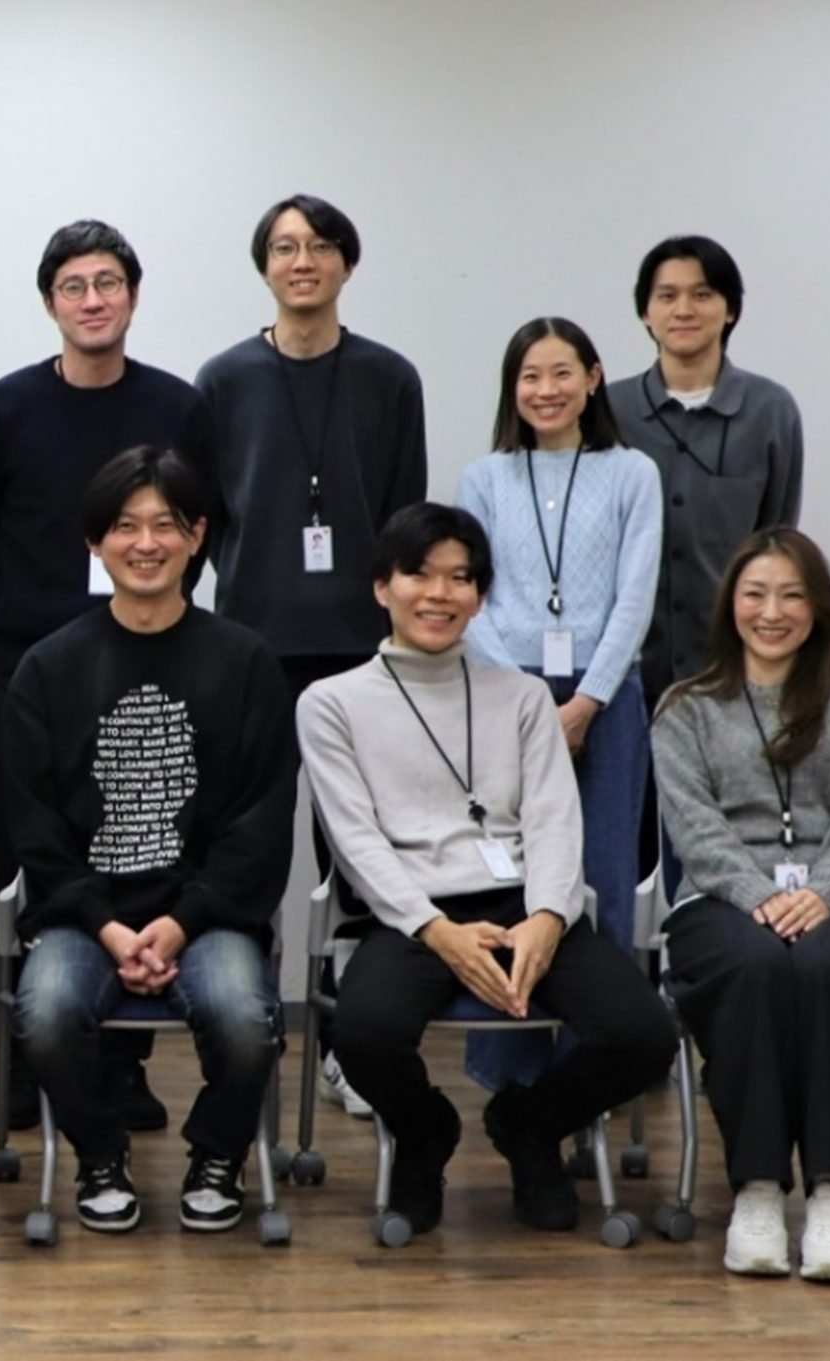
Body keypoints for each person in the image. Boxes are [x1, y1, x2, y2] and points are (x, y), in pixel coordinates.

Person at [298, 504, 673, 1236]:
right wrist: (436, 930)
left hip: (524, 904)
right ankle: (425, 1134)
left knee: (644, 1035)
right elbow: (355, 841)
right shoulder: (332, 703)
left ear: (480, 596)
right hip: (413, 915)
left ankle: (530, 1124)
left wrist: (548, 917)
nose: (440, 594)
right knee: (364, 1035)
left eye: (461, 578)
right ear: (381, 586)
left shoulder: (523, 696)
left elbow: (554, 819)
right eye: (420, 574)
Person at [5, 447, 294, 1235]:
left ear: (197, 536)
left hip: (209, 916)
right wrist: (105, 923)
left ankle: (218, 1153)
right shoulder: (48, 667)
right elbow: (34, 827)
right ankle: (101, 1153)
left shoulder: (246, 662)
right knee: (46, 1013)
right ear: (95, 541)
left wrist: (182, 920)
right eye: (124, 526)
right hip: (83, 918)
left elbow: (261, 820)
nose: (145, 543)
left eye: (165, 525)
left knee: (245, 1019)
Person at [0, 219, 202, 1134]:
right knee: (22, 859)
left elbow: (199, 527)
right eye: (74, 285)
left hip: (148, 668)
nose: (92, 300)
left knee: (139, 856)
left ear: (132, 296)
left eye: (108, 283)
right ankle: (27, 1058)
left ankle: (122, 1065)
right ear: (49, 302)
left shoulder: (179, 407)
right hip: (27, 670)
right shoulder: (2, 410)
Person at [194, 193, 428, 1119]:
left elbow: (405, 513)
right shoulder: (223, 378)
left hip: (362, 655)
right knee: (250, 853)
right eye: (286, 247)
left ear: (345, 264)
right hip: (250, 650)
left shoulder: (390, 377)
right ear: (264, 266)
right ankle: (245, 1035)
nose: (304, 261)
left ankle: (348, 1047)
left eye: (321, 246)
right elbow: (205, 517)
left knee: (361, 860)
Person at [653, 528, 830, 1284]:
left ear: (819, 608)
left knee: (829, 966)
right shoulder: (686, 708)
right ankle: (758, 1188)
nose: (772, 612)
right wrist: (759, 895)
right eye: (756, 593)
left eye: (793, 595)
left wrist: (825, 892)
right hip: (722, 899)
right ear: (730, 604)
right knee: (756, 964)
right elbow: (695, 829)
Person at [455, 319, 661, 1090]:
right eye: (530, 376)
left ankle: (592, 1067)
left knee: (601, 875)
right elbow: (471, 596)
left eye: (562, 372)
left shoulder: (632, 471)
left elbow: (635, 597)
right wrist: (531, 702)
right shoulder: (484, 478)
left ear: (594, 378)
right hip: (503, 694)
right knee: (508, 875)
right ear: (512, 388)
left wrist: (588, 700)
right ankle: (509, 1069)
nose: (546, 390)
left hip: (606, 698)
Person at [609, 237, 805, 699]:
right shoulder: (609, 411)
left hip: (732, 669)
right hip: (624, 670)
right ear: (645, 312)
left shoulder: (770, 411)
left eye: (702, 294)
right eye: (667, 296)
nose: (684, 310)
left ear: (730, 309)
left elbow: (776, 539)